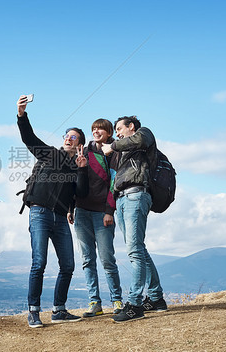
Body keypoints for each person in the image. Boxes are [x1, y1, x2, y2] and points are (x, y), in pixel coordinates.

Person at [16, 95, 89, 328]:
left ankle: (59, 310)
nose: (68, 138)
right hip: (39, 213)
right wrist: (21, 114)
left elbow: (82, 192)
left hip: (60, 218)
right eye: (66, 136)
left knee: (68, 265)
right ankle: (34, 312)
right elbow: (29, 138)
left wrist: (82, 171)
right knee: (39, 263)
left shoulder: (77, 166)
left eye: (73, 137)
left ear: (80, 144)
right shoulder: (51, 154)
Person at [102, 115, 168, 323]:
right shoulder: (124, 152)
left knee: (135, 251)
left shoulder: (144, 134)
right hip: (123, 199)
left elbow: (138, 140)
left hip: (136, 195)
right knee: (139, 249)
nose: (118, 133)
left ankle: (135, 304)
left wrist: (113, 145)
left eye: (120, 129)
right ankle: (156, 299)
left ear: (131, 126)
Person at [68, 119, 123, 317]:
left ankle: (117, 300)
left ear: (109, 133)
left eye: (100, 128)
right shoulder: (84, 150)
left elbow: (114, 184)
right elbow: (74, 183)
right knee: (87, 260)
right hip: (81, 212)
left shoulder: (113, 154)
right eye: (94, 128)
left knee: (107, 259)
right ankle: (95, 302)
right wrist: (70, 207)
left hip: (102, 213)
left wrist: (110, 210)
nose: (96, 131)